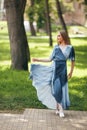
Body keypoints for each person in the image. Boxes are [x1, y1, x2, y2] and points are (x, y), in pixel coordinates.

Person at [30, 30, 75, 118]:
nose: (57, 37)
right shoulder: (56, 48)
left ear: (63, 36)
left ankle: (58, 108)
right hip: (55, 70)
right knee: (56, 90)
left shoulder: (70, 48)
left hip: (63, 70)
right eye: (57, 36)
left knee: (61, 89)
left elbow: (73, 61)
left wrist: (71, 72)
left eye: (59, 36)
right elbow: (49, 59)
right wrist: (37, 59)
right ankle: (61, 109)